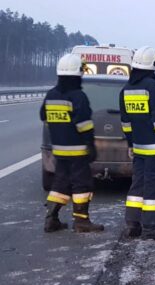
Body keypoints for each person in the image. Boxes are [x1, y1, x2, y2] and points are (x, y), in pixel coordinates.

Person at [41, 53, 104, 233]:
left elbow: (43, 116)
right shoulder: (78, 96)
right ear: (77, 74)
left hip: (59, 150)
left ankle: (51, 219)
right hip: (77, 150)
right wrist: (90, 144)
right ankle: (82, 221)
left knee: (60, 184)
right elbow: (84, 124)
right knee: (82, 185)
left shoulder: (51, 94)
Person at [119, 46, 155, 241]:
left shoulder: (126, 89)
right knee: (153, 187)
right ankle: (150, 228)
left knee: (137, 185)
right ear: (153, 66)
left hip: (138, 147)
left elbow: (125, 123)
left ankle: (132, 224)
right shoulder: (154, 88)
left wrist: (131, 144)